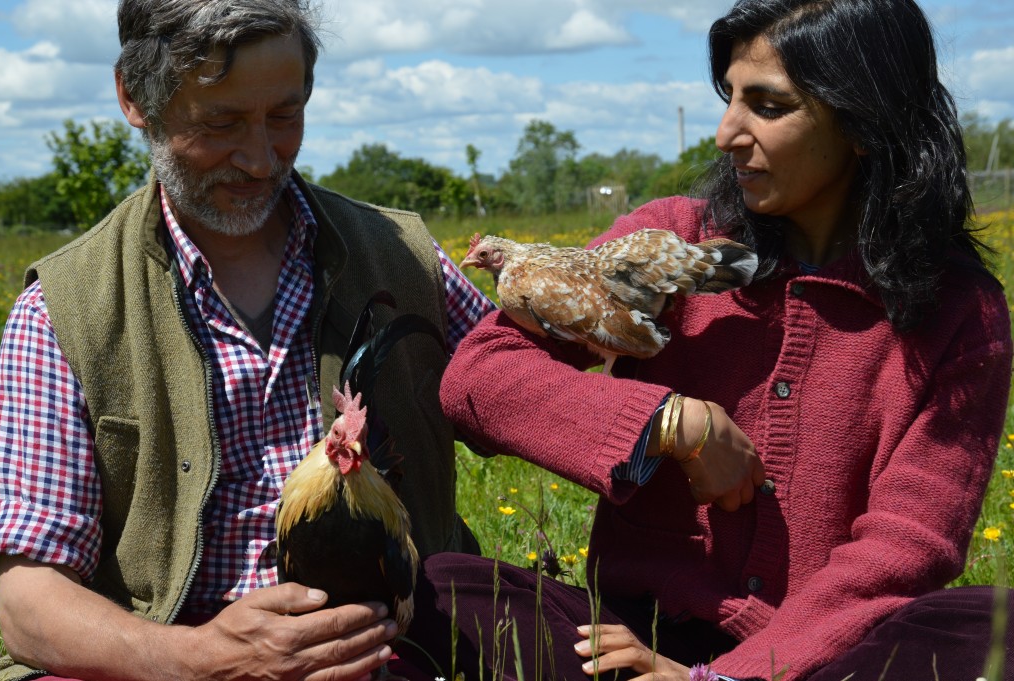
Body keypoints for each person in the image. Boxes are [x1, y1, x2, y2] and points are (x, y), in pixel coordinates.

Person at [403, 0, 1014, 680]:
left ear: (862, 122)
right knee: (437, 588)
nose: (727, 132)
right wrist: (668, 422)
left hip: (826, 654)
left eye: (768, 106)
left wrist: (720, 678)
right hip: (631, 640)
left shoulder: (959, 309)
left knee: (999, 625)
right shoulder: (673, 243)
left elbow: (908, 547)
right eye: (729, 97)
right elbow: (478, 377)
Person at [0, 1, 494, 679]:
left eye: (285, 116)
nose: (260, 159)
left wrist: (667, 422)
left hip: (392, 649)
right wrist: (198, 657)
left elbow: (519, 389)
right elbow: (27, 605)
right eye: (220, 123)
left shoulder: (401, 258)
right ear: (135, 98)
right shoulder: (62, 310)